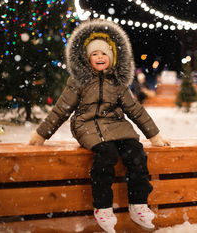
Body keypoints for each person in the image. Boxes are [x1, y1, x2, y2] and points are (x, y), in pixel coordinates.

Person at [28, 19, 169, 233]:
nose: (100, 57)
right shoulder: (79, 81)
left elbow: (135, 109)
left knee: (135, 152)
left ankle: (138, 204)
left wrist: (154, 135)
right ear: (87, 58)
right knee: (107, 154)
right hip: (86, 124)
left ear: (111, 58)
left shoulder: (118, 82)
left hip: (116, 124)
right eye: (95, 54)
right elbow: (61, 109)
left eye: (104, 54)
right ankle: (103, 207)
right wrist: (41, 134)